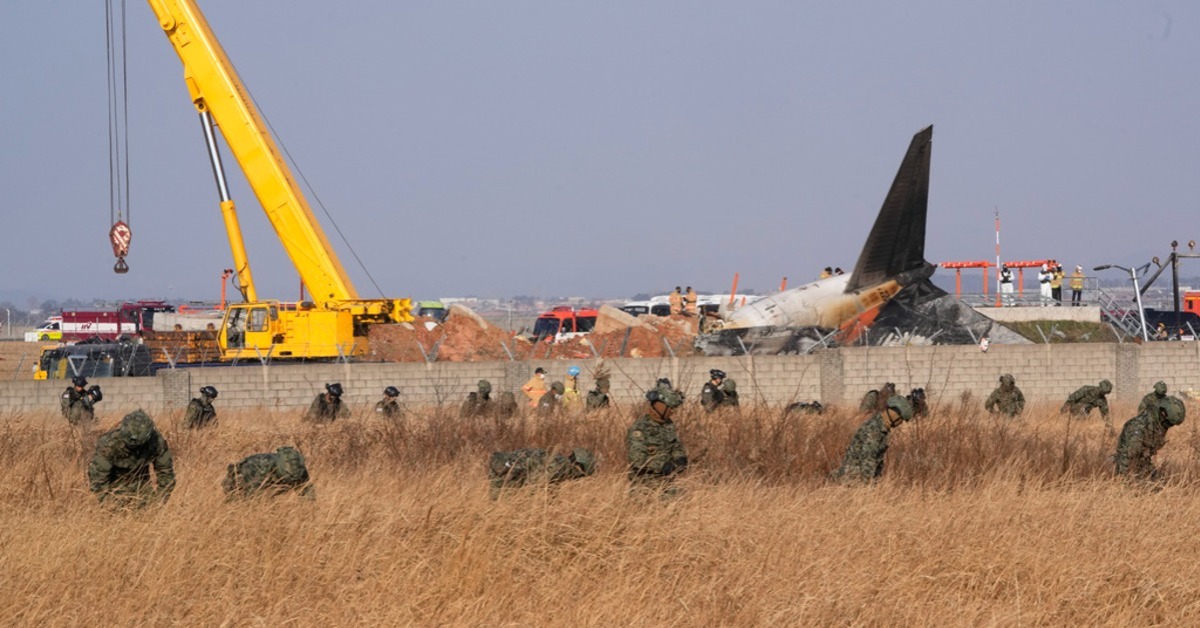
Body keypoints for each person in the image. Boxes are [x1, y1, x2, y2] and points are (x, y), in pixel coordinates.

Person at [87, 410, 174, 507]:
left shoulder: (157, 443)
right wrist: (107, 503)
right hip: (114, 489)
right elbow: (97, 478)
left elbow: (166, 473)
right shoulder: (109, 445)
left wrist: (159, 500)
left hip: (142, 488)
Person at [829, 395, 914, 484]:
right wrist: (868, 487)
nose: (901, 423)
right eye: (901, 420)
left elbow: (876, 460)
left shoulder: (881, 427)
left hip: (859, 475)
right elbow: (867, 459)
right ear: (895, 416)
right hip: (853, 478)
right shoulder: (874, 430)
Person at [627, 387, 688, 487]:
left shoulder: (668, 425)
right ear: (661, 407)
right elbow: (637, 460)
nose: (672, 412)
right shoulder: (640, 429)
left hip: (666, 482)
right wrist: (662, 466)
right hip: (644, 484)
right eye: (670, 408)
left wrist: (679, 459)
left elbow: (676, 446)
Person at [1115, 397, 1186, 480]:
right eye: (1169, 423)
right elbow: (1127, 458)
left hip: (1142, 462)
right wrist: (1123, 483)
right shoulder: (1138, 427)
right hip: (1126, 466)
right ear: (1163, 413)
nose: (1169, 426)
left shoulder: (1156, 423)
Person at [487, 447, 596, 498]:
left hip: (499, 464)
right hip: (509, 475)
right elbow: (536, 484)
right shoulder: (561, 466)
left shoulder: (555, 458)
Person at [223, 446, 314, 499]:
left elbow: (308, 497)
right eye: (287, 478)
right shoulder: (259, 468)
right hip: (239, 478)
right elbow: (253, 501)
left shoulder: (298, 469)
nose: (290, 482)